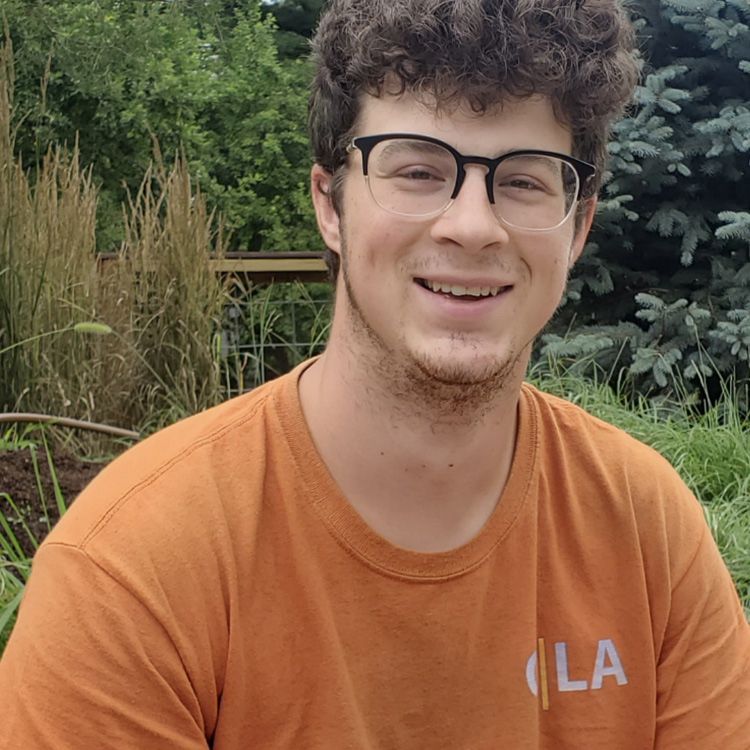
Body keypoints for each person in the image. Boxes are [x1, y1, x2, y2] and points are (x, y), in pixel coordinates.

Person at [1, 0, 749, 747]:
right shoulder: (131, 573)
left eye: (524, 181)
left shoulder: (649, 532)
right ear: (330, 204)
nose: (472, 225)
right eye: (419, 170)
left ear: (576, 227)